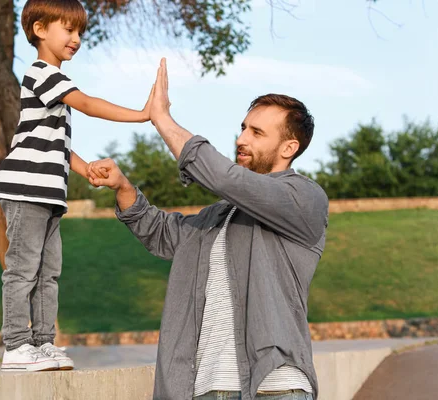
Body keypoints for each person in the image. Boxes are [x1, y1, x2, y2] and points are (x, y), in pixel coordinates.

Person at [87, 59, 329, 399]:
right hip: (206, 389)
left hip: (274, 387)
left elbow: (223, 176)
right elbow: (162, 233)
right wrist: (124, 188)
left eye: (257, 133)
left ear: (289, 148)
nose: (241, 139)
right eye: (243, 128)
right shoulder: (220, 215)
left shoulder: (304, 199)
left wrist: (162, 119)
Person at [0, 0, 153, 372]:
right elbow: (89, 104)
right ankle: (16, 346)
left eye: (80, 31)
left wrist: (86, 169)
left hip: (47, 193)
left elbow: (57, 144)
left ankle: (42, 344)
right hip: (25, 188)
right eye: (68, 29)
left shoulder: (53, 85)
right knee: (23, 268)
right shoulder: (43, 73)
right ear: (40, 29)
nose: (76, 38)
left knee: (48, 272)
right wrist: (143, 115)